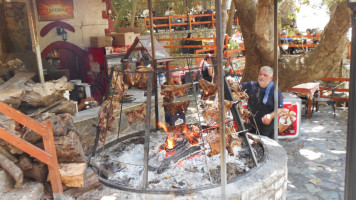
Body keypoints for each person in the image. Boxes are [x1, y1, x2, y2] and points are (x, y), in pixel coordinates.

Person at [240, 66, 283, 139]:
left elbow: (280, 109)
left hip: (267, 127)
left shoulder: (275, 90)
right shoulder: (251, 85)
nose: (261, 77)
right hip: (250, 124)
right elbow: (237, 88)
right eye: (260, 74)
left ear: (271, 78)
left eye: (265, 75)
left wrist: (270, 116)